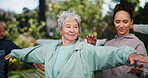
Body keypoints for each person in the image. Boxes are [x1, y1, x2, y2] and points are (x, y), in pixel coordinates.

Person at [5, 9, 148, 78]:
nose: (72, 30)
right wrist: (15, 53)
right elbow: (31, 52)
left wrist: (128, 53)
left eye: (76, 26)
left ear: (79, 30)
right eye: (68, 26)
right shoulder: (50, 48)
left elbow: (107, 52)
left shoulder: (84, 49)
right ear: (61, 30)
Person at [87, 0, 148, 78]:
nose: (121, 25)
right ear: (114, 22)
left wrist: (140, 72)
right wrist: (91, 46)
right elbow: (93, 63)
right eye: (118, 21)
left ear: (131, 22)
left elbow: (145, 71)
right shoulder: (108, 44)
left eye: (125, 22)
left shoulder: (138, 44)